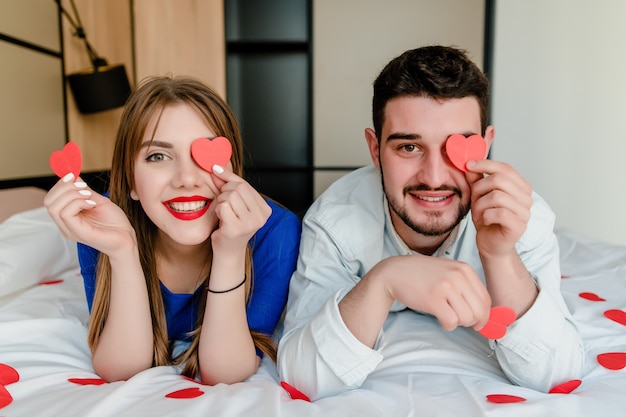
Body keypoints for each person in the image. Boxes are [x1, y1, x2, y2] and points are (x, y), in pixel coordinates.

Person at [277, 45, 584, 400]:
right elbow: (301, 376)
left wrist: (499, 256)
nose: (435, 178)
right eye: (409, 147)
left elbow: (557, 375)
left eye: (456, 147)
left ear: (485, 146)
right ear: (375, 149)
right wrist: (385, 279)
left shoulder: (522, 216)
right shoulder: (334, 221)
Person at [44, 75, 301, 385]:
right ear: (130, 182)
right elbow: (122, 370)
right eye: (158, 156)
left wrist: (230, 252)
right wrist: (122, 252)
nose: (187, 179)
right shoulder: (102, 219)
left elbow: (225, 373)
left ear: (232, 167)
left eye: (203, 154)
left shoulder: (277, 231)